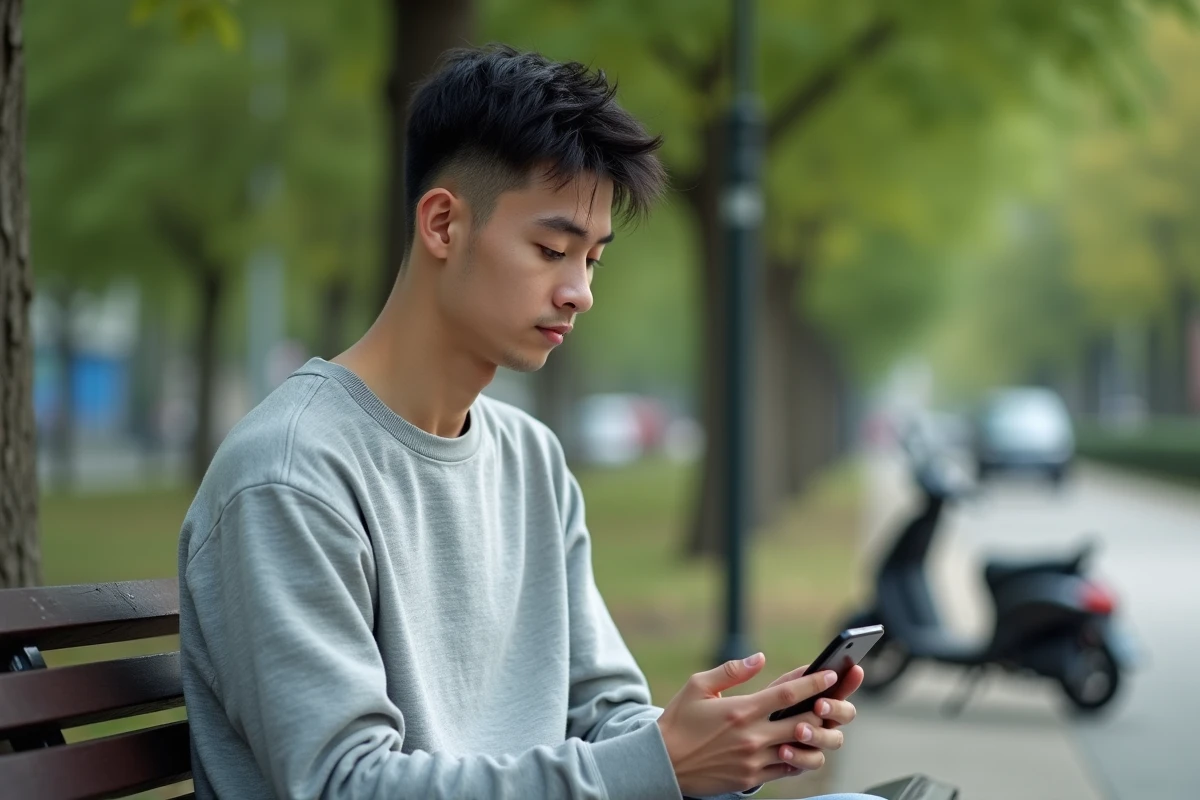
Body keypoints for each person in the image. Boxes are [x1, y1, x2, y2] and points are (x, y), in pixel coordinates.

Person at [178, 44, 881, 800]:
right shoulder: (290, 475)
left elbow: (602, 709)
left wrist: (720, 747)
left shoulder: (529, 459)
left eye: (593, 260)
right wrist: (656, 766)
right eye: (551, 250)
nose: (579, 292)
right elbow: (344, 786)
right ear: (443, 225)